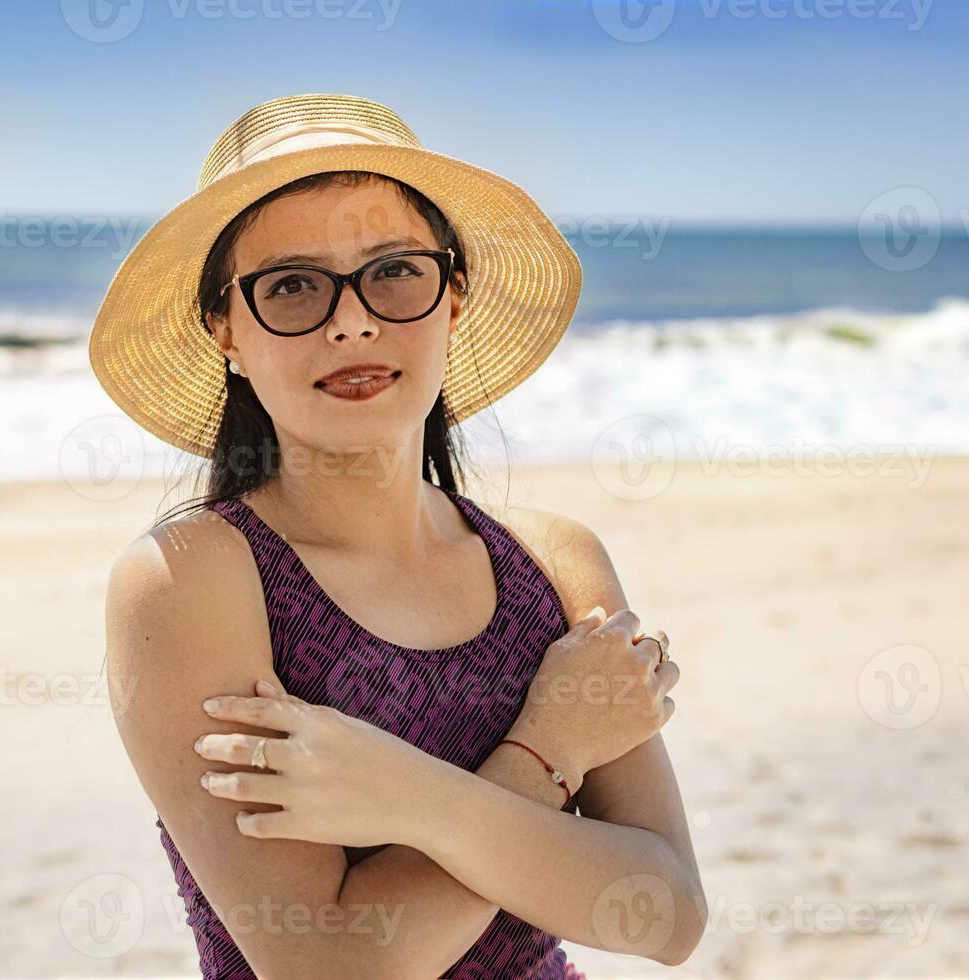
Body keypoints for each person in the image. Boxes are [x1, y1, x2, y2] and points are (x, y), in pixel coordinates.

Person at [92, 92, 704, 979]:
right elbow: (331, 969)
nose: (351, 321)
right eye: (292, 285)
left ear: (452, 296)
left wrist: (410, 794)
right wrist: (550, 751)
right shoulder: (192, 578)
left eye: (393, 271)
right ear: (225, 328)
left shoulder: (557, 563)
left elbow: (668, 917)